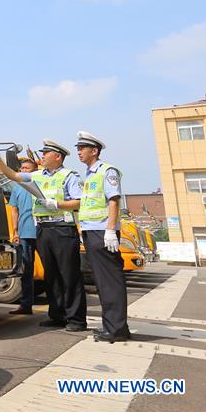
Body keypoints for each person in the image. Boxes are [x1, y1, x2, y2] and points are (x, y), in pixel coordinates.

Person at [0, 140, 87, 332]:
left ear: (57, 156)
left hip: (62, 229)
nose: (42, 155)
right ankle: (57, 316)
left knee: (69, 275)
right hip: (43, 229)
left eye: (46, 153)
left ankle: (76, 319)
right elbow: (14, 175)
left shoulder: (69, 176)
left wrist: (56, 204)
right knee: (51, 276)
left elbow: (78, 202)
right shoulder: (37, 175)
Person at [75, 131, 130, 343]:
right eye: (78, 148)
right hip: (91, 232)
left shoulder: (107, 171)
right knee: (102, 282)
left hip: (103, 232)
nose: (78, 151)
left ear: (94, 151)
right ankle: (112, 327)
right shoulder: (89, 174)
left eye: (82, 148)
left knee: (110, 282)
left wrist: (110, 230)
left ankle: (116, 329)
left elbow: (114, 201)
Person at [8, 158, 38, 315]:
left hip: (41, 232)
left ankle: (59, 308)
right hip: (24, 234)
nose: (24, 170)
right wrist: (15, 231)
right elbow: (14, 210)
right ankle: (26, 305)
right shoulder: (17, 188)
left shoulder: (40, 184)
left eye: (27, 168)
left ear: (35, 170)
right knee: (26, 270)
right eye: (22, 168)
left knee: (52, 270)